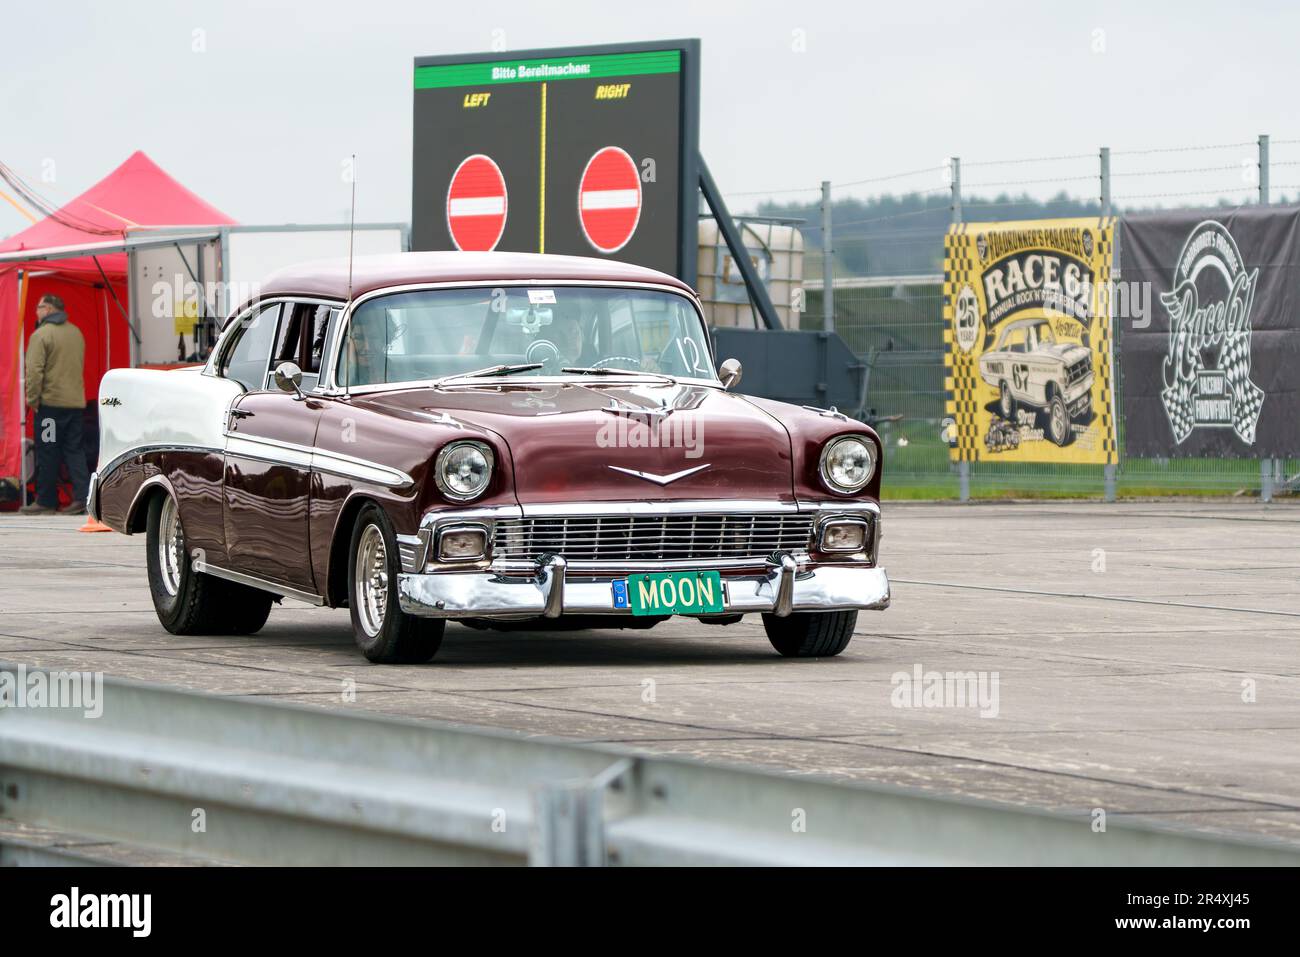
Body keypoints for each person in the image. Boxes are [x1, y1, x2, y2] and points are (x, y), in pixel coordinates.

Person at [21, 294, 89, 514]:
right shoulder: (76, 332)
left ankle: (47, 501)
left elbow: (34, 371)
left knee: (48, 450)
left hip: (50, 406)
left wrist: (32, 400)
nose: (36, 311)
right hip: (75, 404)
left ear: (49, 309)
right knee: (74, 450)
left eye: (39, 307)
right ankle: (82, 498)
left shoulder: (41, 335)